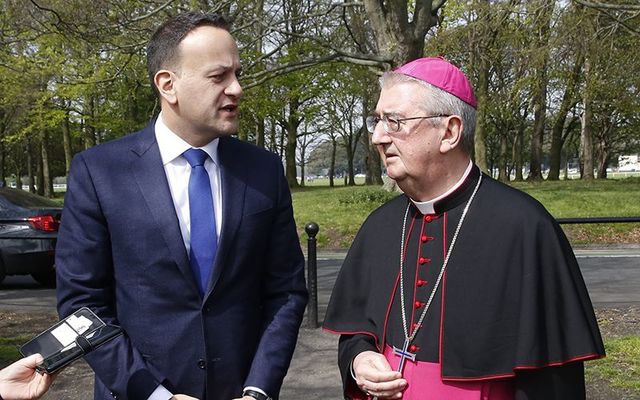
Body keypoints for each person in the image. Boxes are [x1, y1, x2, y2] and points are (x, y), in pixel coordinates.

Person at [56, 11, 308, 400]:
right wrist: (154, 395)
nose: (237, 88)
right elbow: (81, 306)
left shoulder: (264, 171)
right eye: (219, 76)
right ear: (167, 85)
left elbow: (287, 292)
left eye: (237, 73)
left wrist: (258, 389)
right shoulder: (100, 172)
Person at [323, 57, 605, 400]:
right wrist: (359, 359)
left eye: (395, 121)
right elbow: (357, 330)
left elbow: (553, 382)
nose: (378, 138)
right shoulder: (379, 226)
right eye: (377, 121)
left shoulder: (525, 227)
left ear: (450, 132)